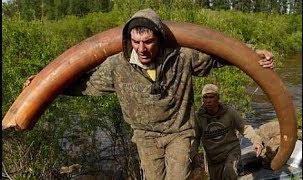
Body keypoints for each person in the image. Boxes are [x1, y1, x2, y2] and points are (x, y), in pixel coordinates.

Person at [24, 9, 274, 180]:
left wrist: (254, 54)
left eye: (148, 41)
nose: (142, 49)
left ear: (160, 39)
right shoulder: (117, 66)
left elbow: (222, 54)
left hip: (179, 132)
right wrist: (43, 83)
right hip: (145, 136)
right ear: (129, 40)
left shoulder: (182, 57)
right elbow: (82, 83)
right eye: (135, 42)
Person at [193, 84, 264, 180]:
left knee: (229, 171)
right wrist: (194, 153)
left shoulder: (229, 112)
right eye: (205, 97)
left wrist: (256, 141)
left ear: (218, 98)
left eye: (211, 97)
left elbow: (245, 128)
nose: (208, 100)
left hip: (231, 152)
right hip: (213, 158)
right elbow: (196, 138)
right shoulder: (199, 117)